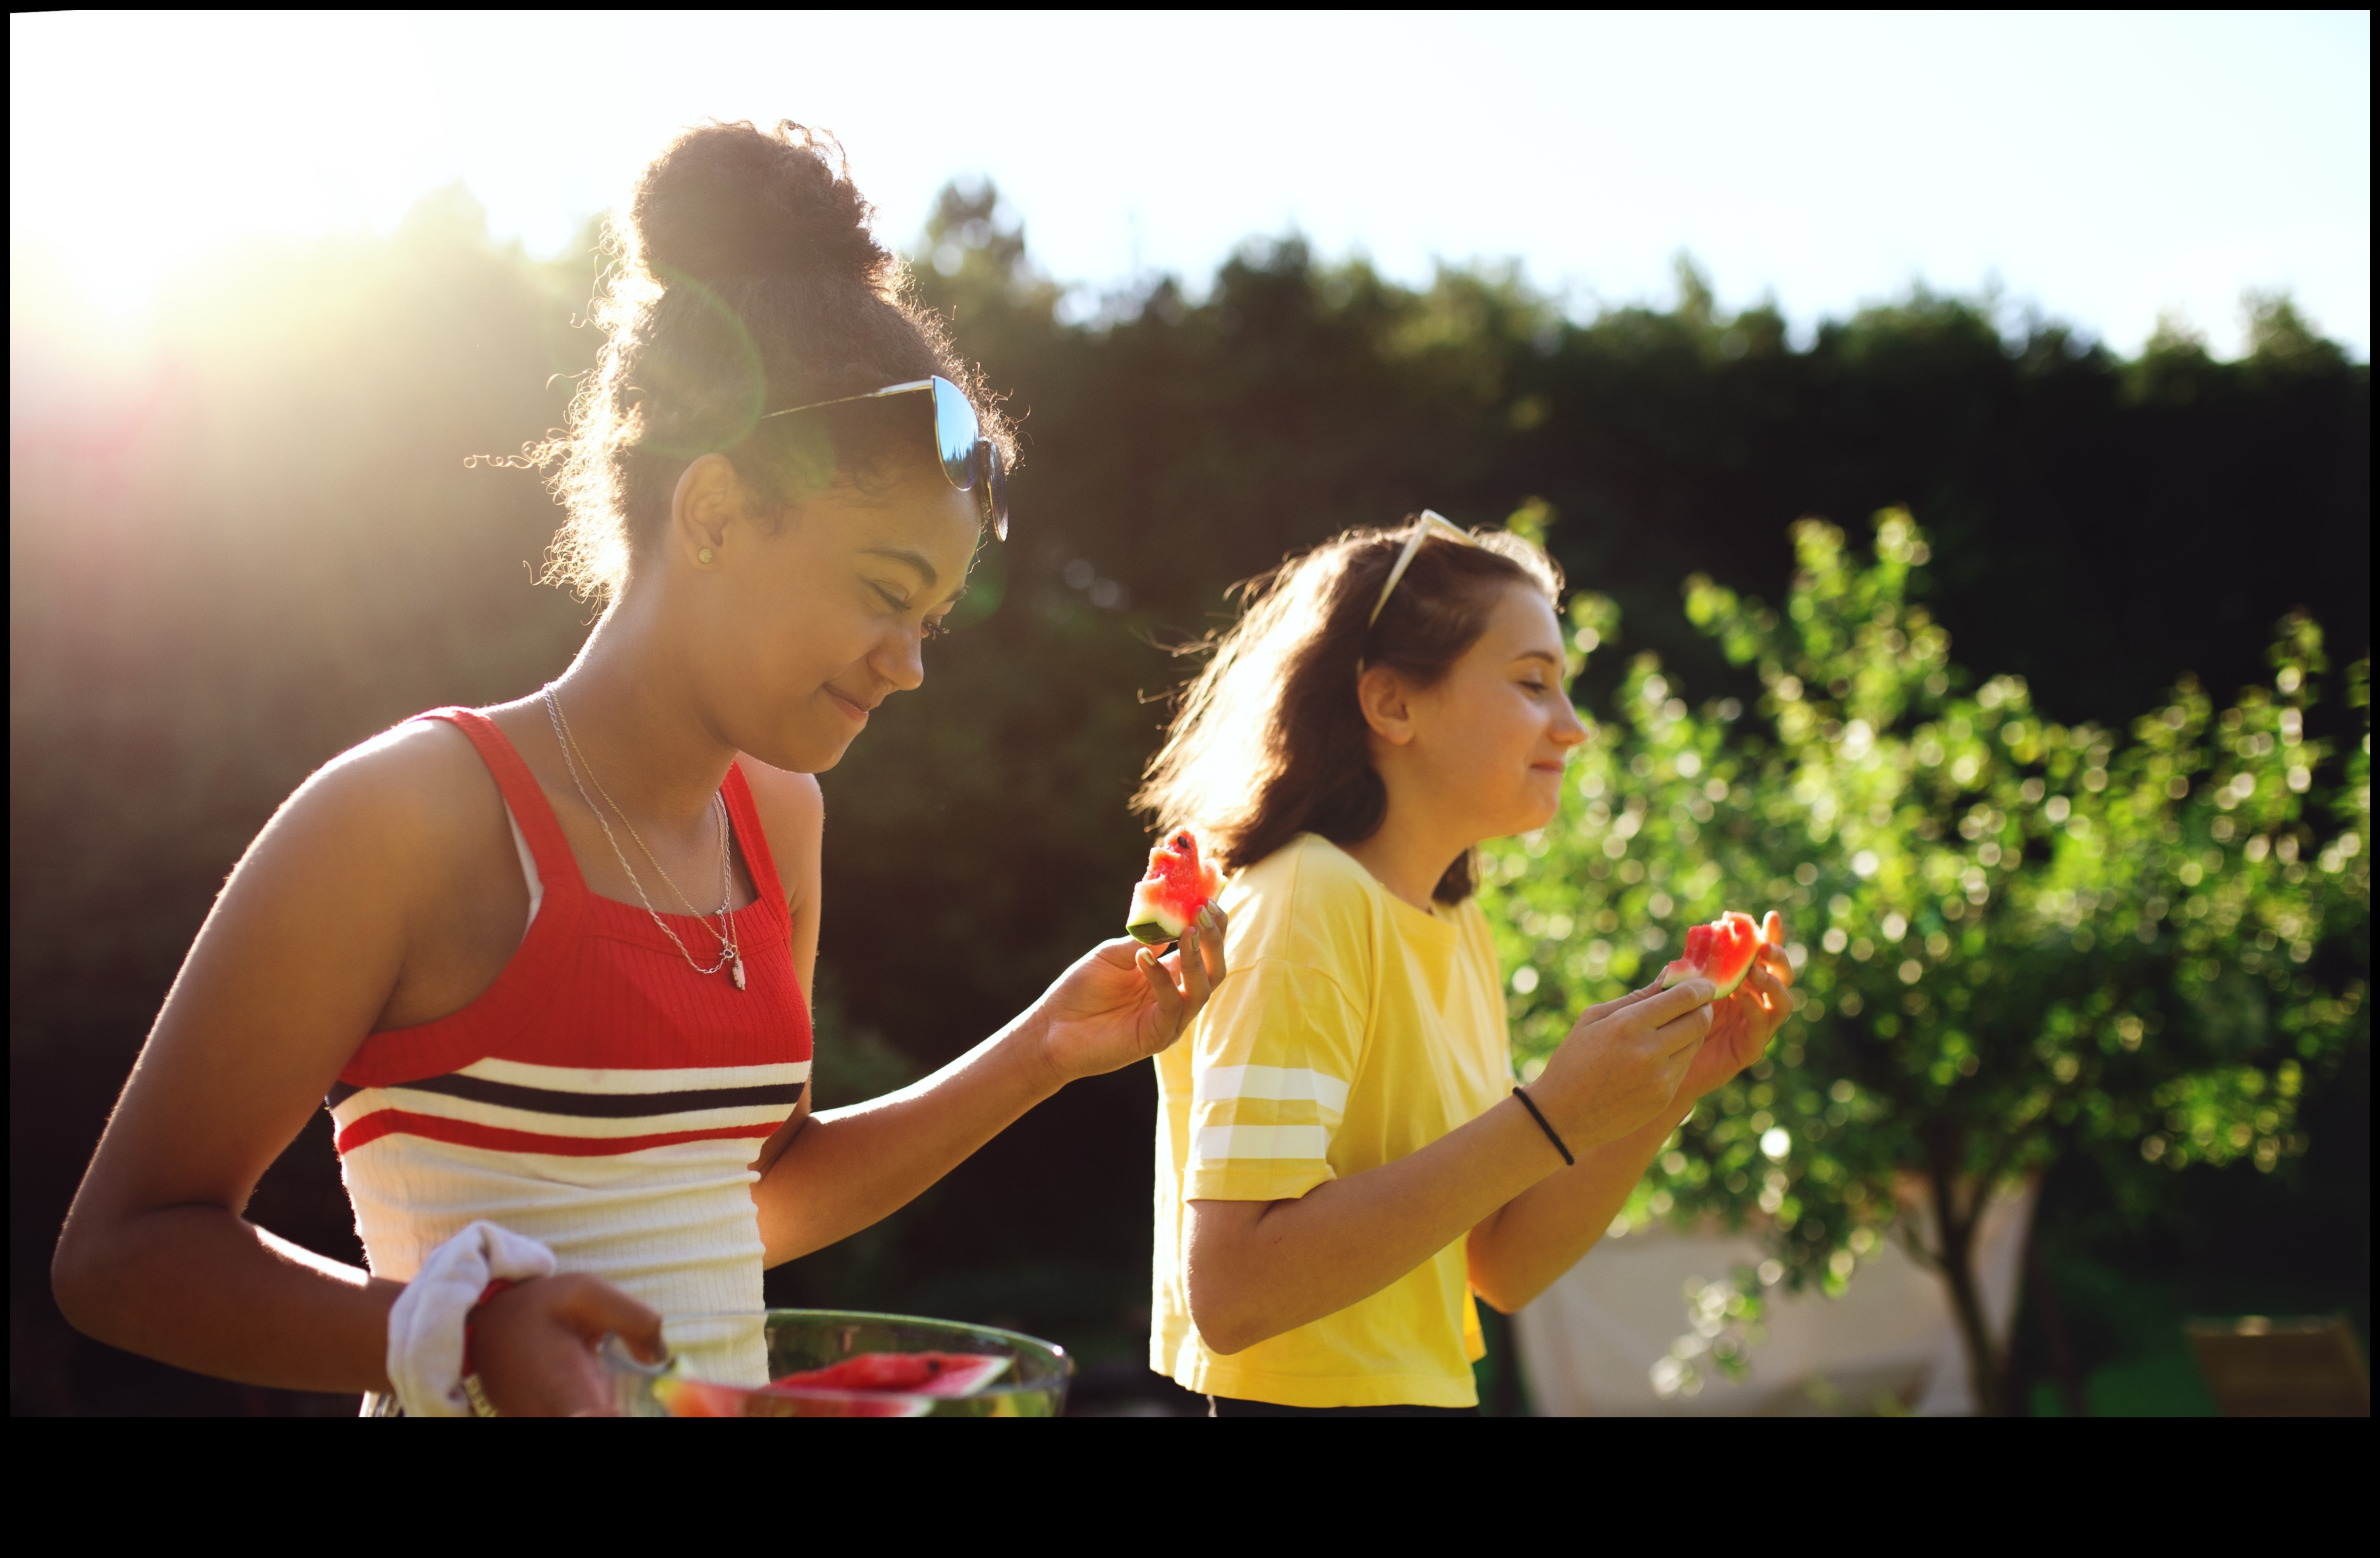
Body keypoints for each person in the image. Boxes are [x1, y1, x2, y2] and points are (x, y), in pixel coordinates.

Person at [50, 121, 1223, 1416]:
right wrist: (464, 1335)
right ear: (714, 513)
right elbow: (123, 1251)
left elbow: (749, 1197)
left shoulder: (780, 817)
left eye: (934, 616)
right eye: (885, 594)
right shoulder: (407, 817)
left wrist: (1045, 1049)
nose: (910, 664)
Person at [1137, 513, 1793, 1414]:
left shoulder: (1452, 923)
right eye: (1532, 684)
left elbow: (1502, 1265)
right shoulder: (1306, 899)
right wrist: (1553, 1110)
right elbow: (1235, 1291)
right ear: (1391, 703)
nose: (1572, 730)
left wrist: (1663, 1087)